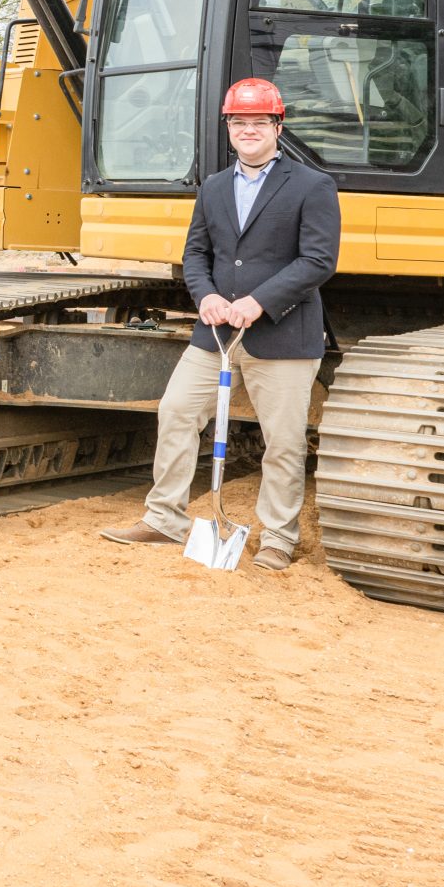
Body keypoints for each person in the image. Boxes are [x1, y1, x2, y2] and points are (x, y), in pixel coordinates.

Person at [103, 77, 338, 571]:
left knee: (284, 440)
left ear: (278, 125)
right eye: (238, 122)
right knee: (176, 413)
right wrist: (205, 294)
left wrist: (261, 301)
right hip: (215, 334)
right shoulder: (213, 186)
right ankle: (164, 517)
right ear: (227, 127)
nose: (247, 130)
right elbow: (197, 253)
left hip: (283, 334)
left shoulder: (312, 185)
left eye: (259, 122)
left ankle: (278, 536)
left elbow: (318, 260)